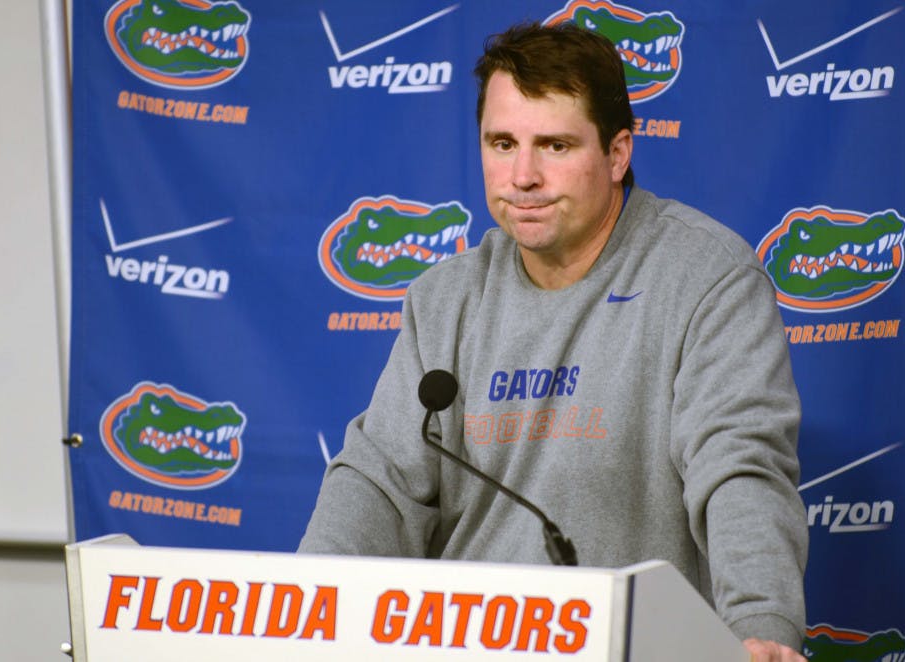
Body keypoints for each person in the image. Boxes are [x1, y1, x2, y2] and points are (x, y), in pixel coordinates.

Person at [300, 22, 808, 661]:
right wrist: (306, 610)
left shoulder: (707, 278)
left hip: (630, 645)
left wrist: (760, 628)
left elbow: (740, 469)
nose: (523, 175)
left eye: (556, 146)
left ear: (618, 153)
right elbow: (378, 484)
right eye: (502, 142)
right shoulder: (445, 298)